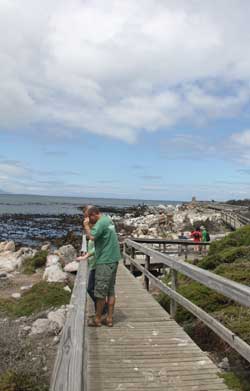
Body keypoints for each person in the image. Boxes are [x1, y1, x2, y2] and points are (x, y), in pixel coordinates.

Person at [84, 206, 121, 327]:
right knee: (110, 291)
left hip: (105, 260)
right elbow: (100, 234)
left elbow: (92, 237)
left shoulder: (100, 222)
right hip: (114, 259)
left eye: (89, 217)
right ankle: (109, 319)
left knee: (100, 293)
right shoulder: (108, 220)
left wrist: (86, 226)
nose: (89, 220)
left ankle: (97, 319)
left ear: (94, 214)